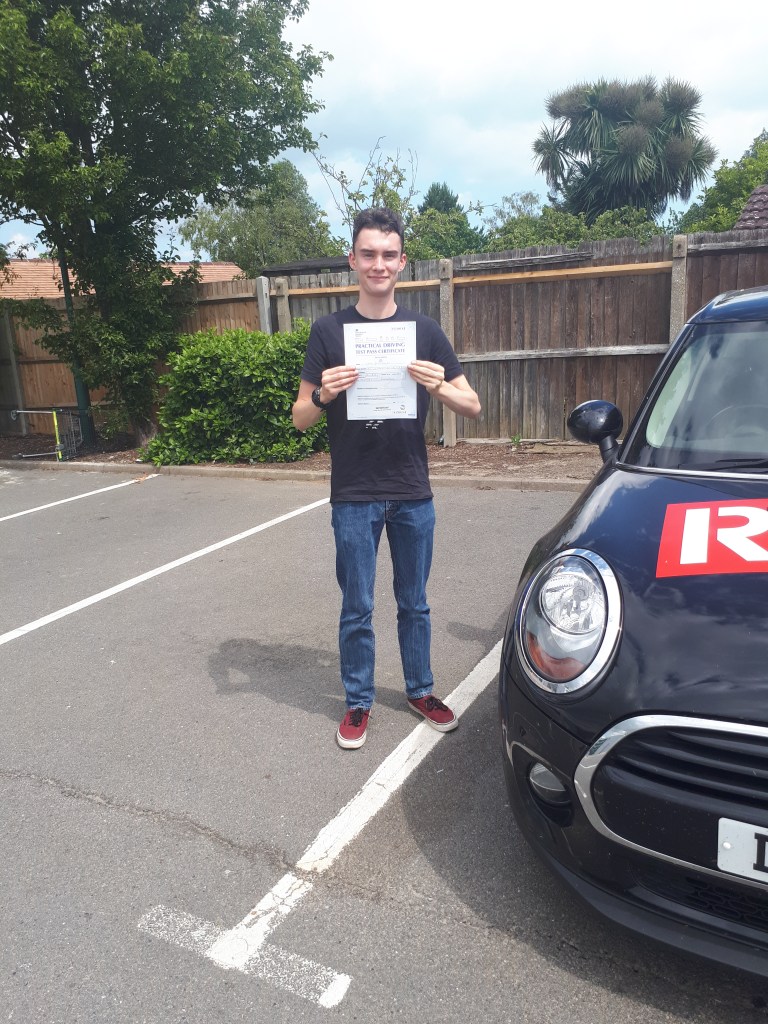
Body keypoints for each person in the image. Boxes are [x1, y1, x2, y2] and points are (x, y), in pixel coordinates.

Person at [292, 207, 481, 749]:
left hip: (411, 491)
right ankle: (358, 702)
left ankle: (420, 689)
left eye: (389, 255)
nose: (379, 264)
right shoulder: (328, 331)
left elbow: (473, 406)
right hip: (353, 493)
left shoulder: (422, 331)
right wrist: (325, 393)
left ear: (403, 262)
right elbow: (300, 416)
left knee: (414, 602)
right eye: (368, 254)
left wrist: (439, 386)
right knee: (357, 605)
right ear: (353, 260)